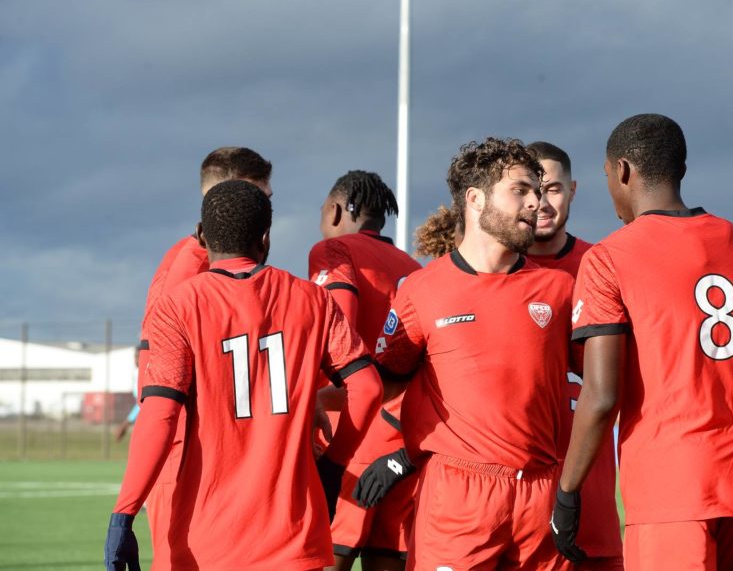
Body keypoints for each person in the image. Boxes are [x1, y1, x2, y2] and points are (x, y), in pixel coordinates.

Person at [104, 180, 382, 571]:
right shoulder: (313, 299)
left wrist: (124, 514)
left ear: (202, 235)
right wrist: (334, 467)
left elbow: (160, 415)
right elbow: (367, 388)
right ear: (265, 237)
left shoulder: (178, 306)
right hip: (293, 538)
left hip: (207, 542)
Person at [556, 114, 733, 570]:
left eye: (607, 176)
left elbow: (601, 395)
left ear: (622, 171)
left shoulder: (609, 257)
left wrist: (567, 492)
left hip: (672, 479)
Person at [374, 137, 573, 571]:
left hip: (541, 493)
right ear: (475, 199)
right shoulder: (422, 291)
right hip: (458, 494)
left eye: (538, 191)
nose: (535, 203)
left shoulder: (559, 290)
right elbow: (380, 385)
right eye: (520, 190)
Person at [135, 146, 273, 565]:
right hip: (187, 459)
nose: (268, 207)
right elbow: (158, 375)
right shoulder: (192, 269)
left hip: (219, 457)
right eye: (261, 195)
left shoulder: (223, 263)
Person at [308, 171, 422, 571]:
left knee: (329, 555)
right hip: (404, 434)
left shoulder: (333, 249)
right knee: (388, 556)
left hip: (354, 430)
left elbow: (337, 325)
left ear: (336, 211)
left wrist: (312, 399)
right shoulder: (412, 265)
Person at [526, 141, 623, 571]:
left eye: (553, 189)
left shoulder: (602, 264)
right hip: (512, 497)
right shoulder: (494, 271)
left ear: (573, 189)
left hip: (591, 492)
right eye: (532, 190)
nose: (542, 203)